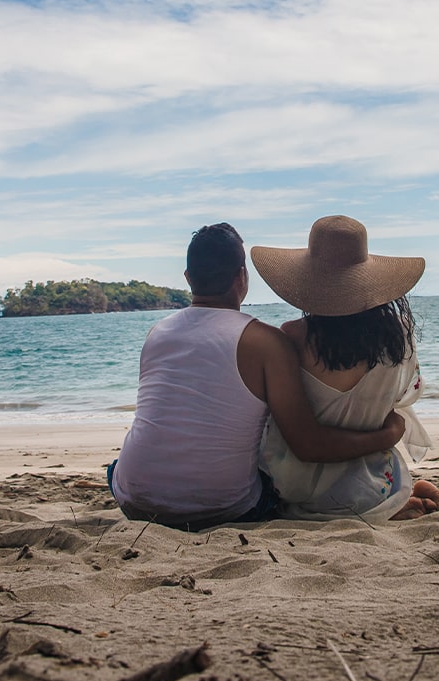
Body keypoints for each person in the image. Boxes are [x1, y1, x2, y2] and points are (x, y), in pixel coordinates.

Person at [110, 223, 404, 531]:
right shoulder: (266, 342)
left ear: (188, 278)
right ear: (241, 277)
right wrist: (387, 436)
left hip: (135, 501)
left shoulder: (156, 334)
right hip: (226, 509)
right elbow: (308, 445)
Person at [252, 215, 439, 522]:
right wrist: (386, 429)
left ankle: (412, 500)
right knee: (366, 495)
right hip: (377, 475)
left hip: (303, 487)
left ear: (309, 281)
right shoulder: (400, 335)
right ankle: (411, 495)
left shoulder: (293, 336)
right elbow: (403, 399)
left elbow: (291, 429)